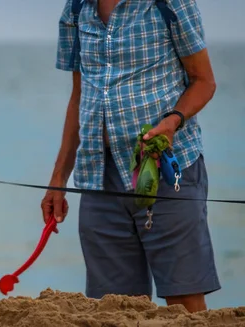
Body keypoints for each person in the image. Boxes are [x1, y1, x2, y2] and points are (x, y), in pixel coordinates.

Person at [42, 0, 219, 313]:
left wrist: (173, 120)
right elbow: (79, 97)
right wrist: (58, 178)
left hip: (166, 173)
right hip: (99, 177)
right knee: (113, 309)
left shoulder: (171, 4)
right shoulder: (76, 8)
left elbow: (204, 81)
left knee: (185, 302)